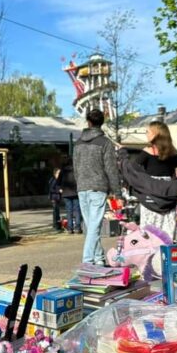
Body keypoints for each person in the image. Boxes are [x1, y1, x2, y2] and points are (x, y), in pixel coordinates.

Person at [73, 108, 120, 265]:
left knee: (91, 227)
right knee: (94, 227)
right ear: (102, 123)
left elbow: (76, 167)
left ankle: (99, 259)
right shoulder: (105, 143)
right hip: (98, 187)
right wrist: (117, 193)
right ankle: (87, 261)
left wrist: (79, 183)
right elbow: (111, 169)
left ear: (88, 122)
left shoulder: (78, 143)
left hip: (82, 187)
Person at [129, 121, 177, 239]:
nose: (146, 134)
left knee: (149, 222)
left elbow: (134, 169)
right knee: (167, 223)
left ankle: (149, 249)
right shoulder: (174, 153)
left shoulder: (147, 151)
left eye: (148, 131)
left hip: (151, 188)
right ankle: (165, 249)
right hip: (168, 190)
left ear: (156, 134)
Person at [58, 161, 81, 234]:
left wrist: (61, 188)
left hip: (66, 193)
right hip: (75, 192)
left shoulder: (63, 171)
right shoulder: (76, 169)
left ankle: (70, 228)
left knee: (69, 211)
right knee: (77, 210)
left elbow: (58, 181)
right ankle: (77, 228)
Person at [48, 167, 62, 231]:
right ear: (55, 173)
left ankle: (56, 225)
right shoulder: (54, 180)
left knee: (56, 211)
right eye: (59, 173)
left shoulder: (56, 179)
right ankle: (56, 226)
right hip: (54, 197)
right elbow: (51, 189)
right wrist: (58, 190)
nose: (60, 174)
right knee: (55, 212)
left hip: (56, 197)